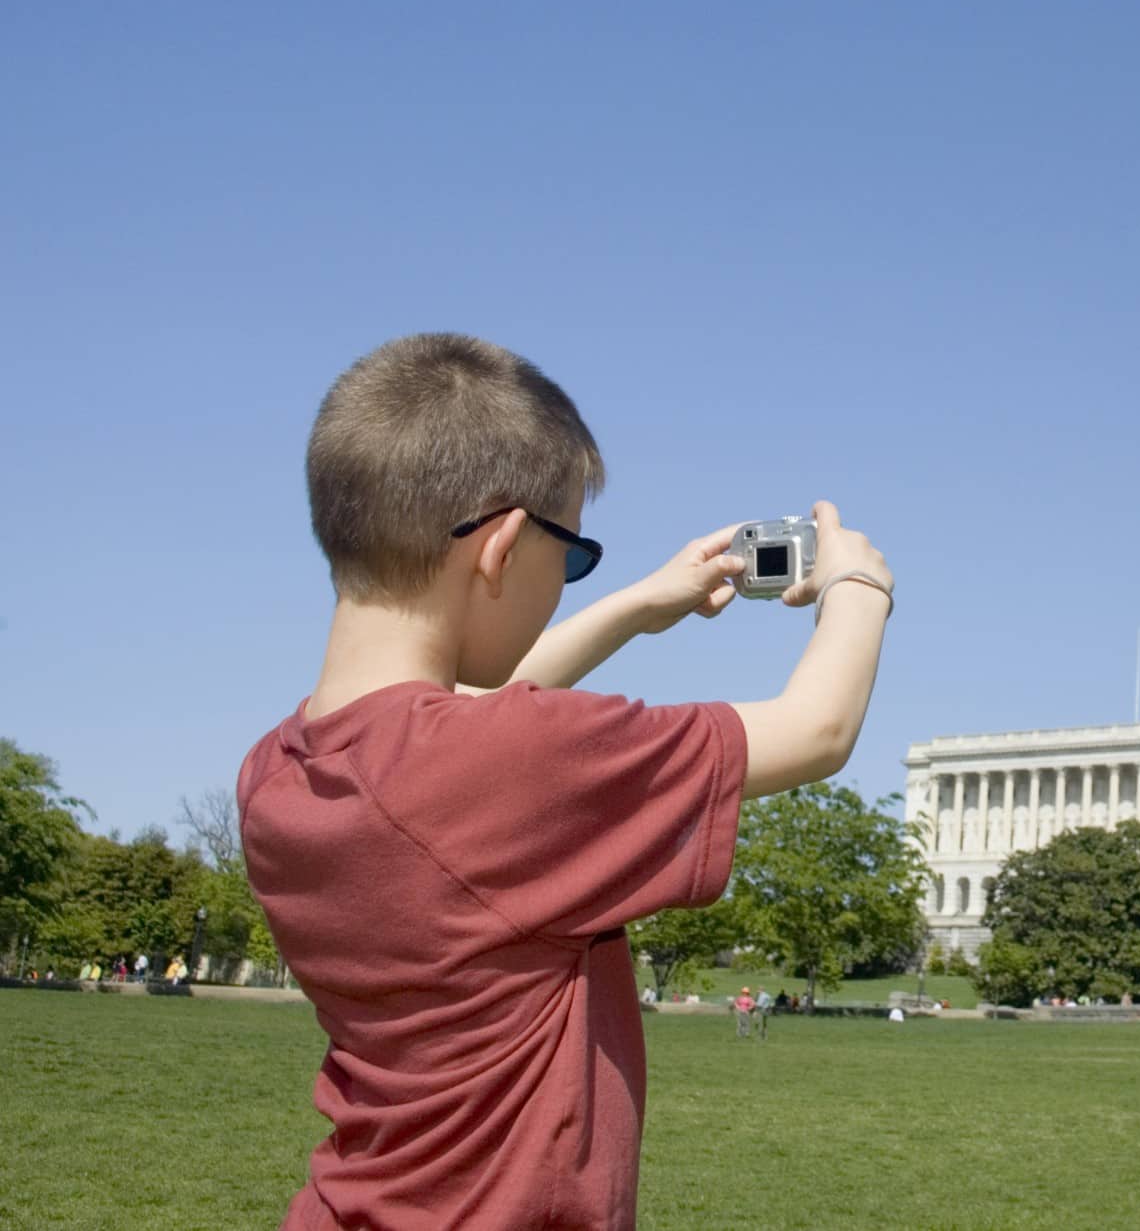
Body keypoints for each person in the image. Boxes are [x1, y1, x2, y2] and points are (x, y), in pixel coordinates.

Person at [235, 334, 895, 1231]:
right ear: (503, 546)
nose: (570, 580)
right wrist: (859, 582)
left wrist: (635, 605)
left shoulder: (277, 772)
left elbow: (469, 716)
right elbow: (818, 730)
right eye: (573, 557)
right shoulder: (503, 762)